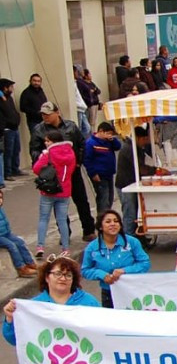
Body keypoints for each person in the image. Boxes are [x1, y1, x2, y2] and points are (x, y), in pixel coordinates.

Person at [31, 102, 95, 242]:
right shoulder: (39, 130)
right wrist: (44, 157)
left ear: (57, 112)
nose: (45, 116)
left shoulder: (71, 126)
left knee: (81, 200)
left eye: (48, 114)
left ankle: (89, 229)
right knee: (59, 204)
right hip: (53, 174)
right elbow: (34, 150)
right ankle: (65, 233)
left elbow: (82, 144)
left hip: (73, 170)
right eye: (43, 114)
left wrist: (78, 161)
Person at [81, 209, 150, 308]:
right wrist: (101, 275)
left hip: (132, 290)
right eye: (108, 222)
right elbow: (85, 270)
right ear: (100, 227)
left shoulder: (132, 242)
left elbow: (145, 263)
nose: (113, 224)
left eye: (116, 221)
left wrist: (125, 271)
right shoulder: (92, 248)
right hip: (109, 292)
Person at [114, 126, 165, 236]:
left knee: (137, 212)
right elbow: (141, 168)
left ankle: (136, 238)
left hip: (133, 183)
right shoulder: (129, 149)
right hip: (125, 185)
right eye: (144, 139)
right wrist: (156, 170)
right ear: (137, 138)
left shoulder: (136, 148)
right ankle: (128, 240)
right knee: (130, 214)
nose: (145, 142)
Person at [32, 129, 75, 258]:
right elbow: (71, 170)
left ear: (53, 141)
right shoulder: (71, 153)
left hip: (48, 191)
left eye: (47, 140)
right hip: (64, 190)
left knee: (43, 219)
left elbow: (36, 169)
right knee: (62, 220)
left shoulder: (48, 154)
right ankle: (66, 248)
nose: (45, 143)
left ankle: (40, 246)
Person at [82, 122, 121, 217]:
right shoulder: (91, 143)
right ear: (101, 131)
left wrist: (113, 140)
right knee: (103, 198)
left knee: (110, 197)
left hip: (109, 173)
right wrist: (93, 173)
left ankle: (106, 216)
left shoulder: (109, 142)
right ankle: (102, 219)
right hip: (99, 175)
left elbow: (118, 147)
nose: (110, 135)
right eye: (108, 133)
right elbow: (87, 160)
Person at [0, 189, 36, 277]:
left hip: (6, 233)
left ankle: (30, 263)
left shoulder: (1, 209)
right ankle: (21, 268)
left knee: (20, 242)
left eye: (0, 198)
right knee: (12, 246)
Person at [0, 79, 21, 179]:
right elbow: (4, 113)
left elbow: (13, 110)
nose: (12, 89)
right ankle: (7, 173)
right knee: (8, 151)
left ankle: (15, 169)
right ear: (5, 88)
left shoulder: (9, 99)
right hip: (7, 129)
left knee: (16, 149)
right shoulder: (1, 99)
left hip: (15, 128)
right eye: (11, 87)